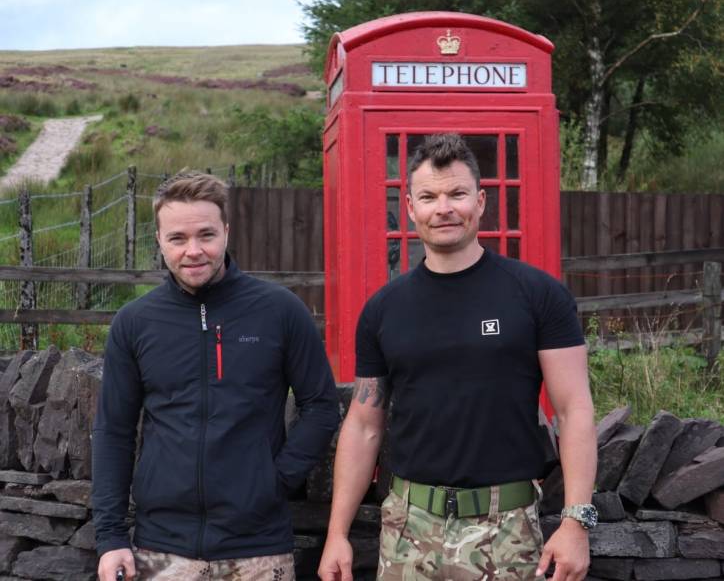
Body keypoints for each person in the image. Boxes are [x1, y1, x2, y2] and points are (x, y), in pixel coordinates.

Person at [318, 134, 597, 581]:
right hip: (407, 531)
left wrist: (575, 522)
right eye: (428, 196)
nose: (443, 207)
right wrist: (337, 533)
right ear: (410, 208)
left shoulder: (538, 295)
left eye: (456, 193)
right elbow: (364, 425)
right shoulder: (383, 309)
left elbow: (574, 409)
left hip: (507, 530)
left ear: (481, 201)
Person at [92, 172, 340, 581]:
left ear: (226, 231)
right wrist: (110, 537)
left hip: (259, 551)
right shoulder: (133, 323)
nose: (194, 251)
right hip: (160, 550)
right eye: (177, 239)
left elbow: (321, 405)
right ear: (159, 239)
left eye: (206, 235)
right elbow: (113, 431)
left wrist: (275, 480)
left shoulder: (281, 311)